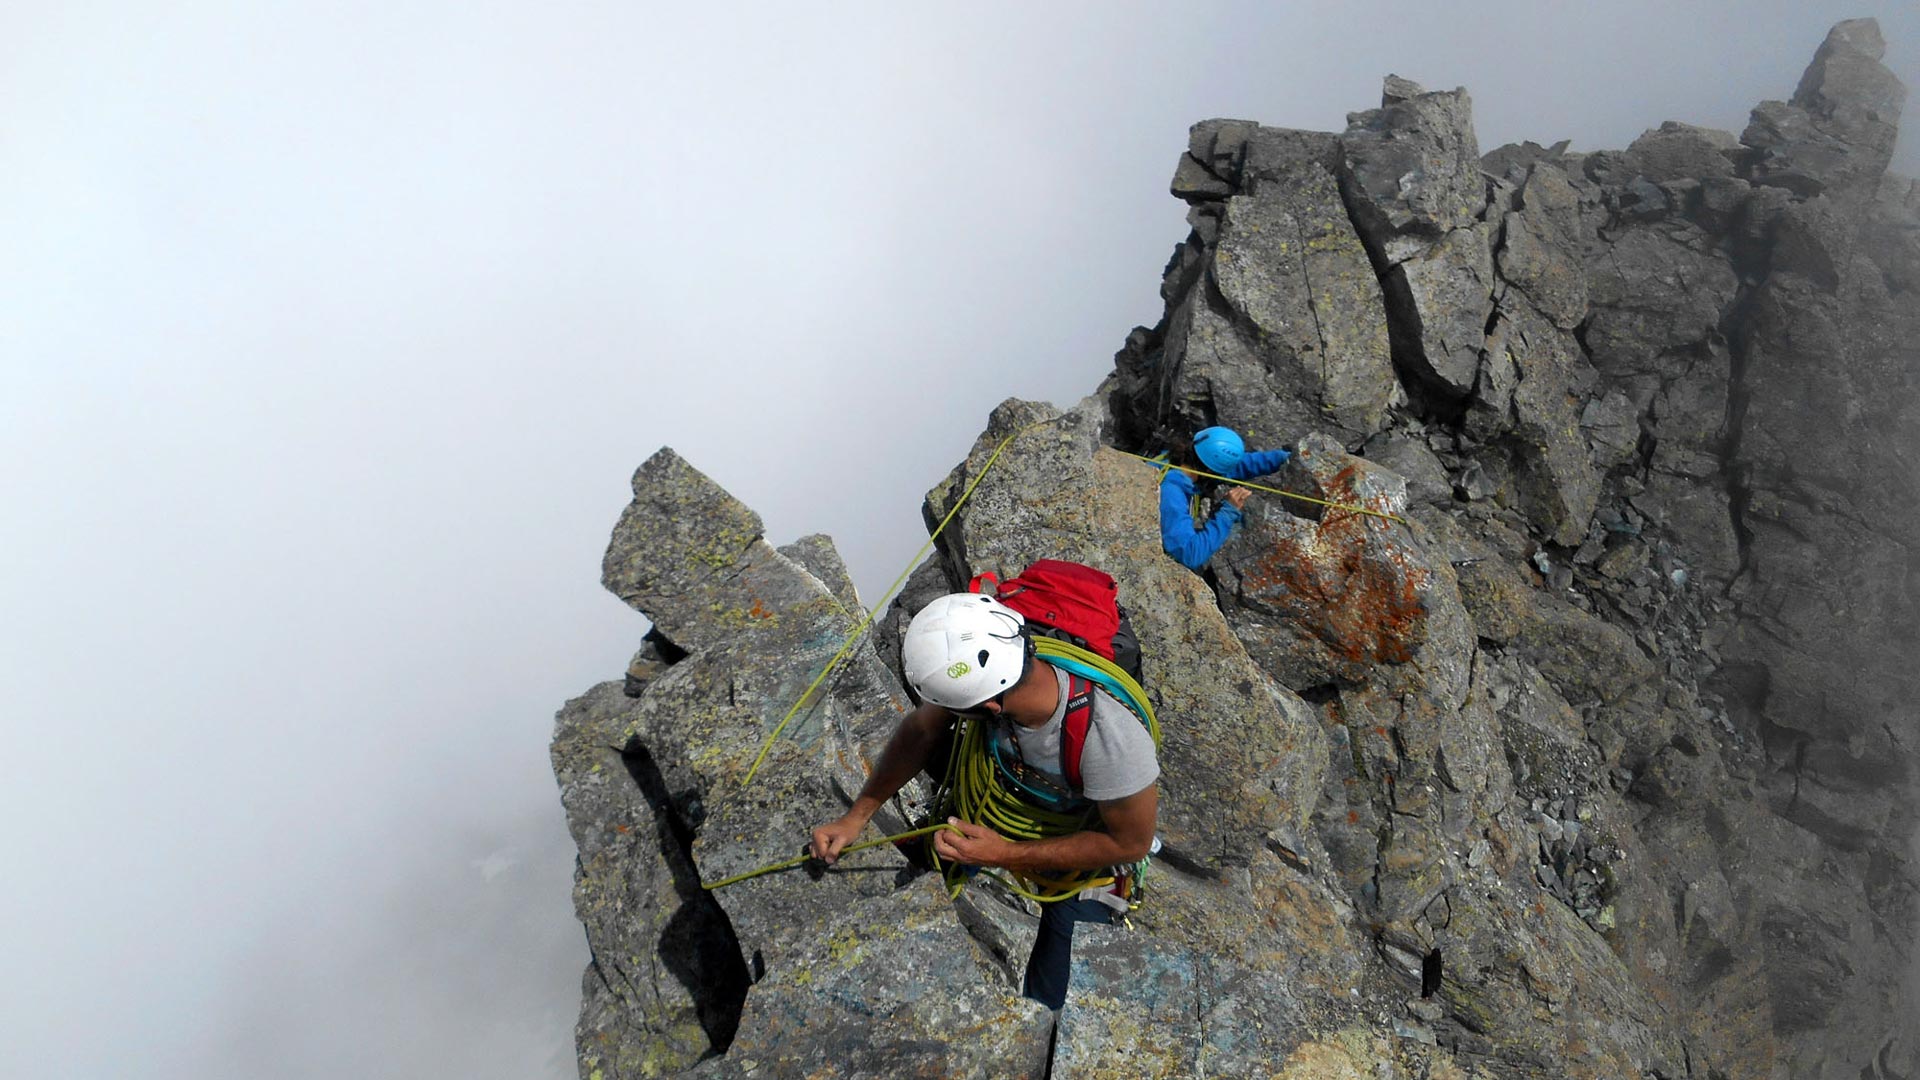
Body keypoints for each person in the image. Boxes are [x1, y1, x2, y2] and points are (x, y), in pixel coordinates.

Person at [810, 592, 1159, 1011]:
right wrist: (856, 817)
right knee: (960, 788)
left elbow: (1129, 843)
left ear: (990, 706)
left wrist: (1004, 854)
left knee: (1051, 1005)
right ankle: (947, 854)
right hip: (1002, 799)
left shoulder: (1110, 740)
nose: (941, 712)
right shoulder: (997, 674)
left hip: (1083, 866)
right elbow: (921, 730)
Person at [1159, 425, 1292, 570]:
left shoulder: (1178, 460)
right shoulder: (1171, 493)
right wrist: (1227, 512)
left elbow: (1242, 465)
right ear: (1210, 471)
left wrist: (1284, 458)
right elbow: (1189, 554)